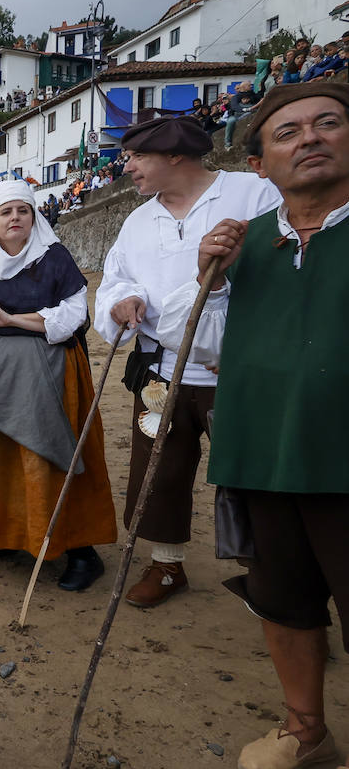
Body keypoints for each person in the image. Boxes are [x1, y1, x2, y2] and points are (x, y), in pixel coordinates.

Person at [157, 81, 349, 769]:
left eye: (329, 124)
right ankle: (306, 727)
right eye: (289, 132)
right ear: (261, 161)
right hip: (264, 451)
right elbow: (191, 342)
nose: (311, 139)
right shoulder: (248, 243)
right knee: (283, 599)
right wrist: (207, 271)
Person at [95, 114, 280, 607]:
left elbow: (286, 272)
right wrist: (121, 299)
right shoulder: (138, 221)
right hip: (161, 371)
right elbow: (116, 278)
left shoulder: (254, 194)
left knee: (256, 474)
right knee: (159, 473)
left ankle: (278, 579)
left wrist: (252, 342)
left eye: (136, 157)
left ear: (175, 154)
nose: (127, 166)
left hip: (241, 370)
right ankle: (166, 564)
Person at [0, 181, 115, 589]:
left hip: (47, 374)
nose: (15, 218)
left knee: (47, 456)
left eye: (23, 210)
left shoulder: (54, 260)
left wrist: (11, 319)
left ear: (34, 217)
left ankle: (78, 548)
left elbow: (73, 315)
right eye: (6, 212)